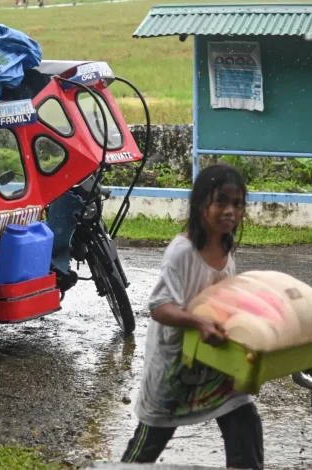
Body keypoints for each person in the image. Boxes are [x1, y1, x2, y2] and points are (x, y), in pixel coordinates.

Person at [121, 163, 264, 469]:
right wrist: (198, 321)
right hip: (175, 368)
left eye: (237, 204)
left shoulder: (226, 245)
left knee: (244, 422)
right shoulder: (181, 252)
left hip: (216, 363)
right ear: (201, 204)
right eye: (221, 202)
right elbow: (159, 306)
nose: (231, 211)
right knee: (150, 440)